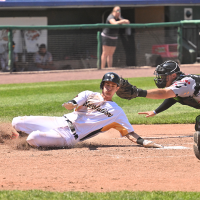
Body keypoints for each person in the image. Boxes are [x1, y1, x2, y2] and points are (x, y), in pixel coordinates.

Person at [12, 72, 162, 149]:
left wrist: (144, 142)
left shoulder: (117, 112)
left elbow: (129, 133)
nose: (109, 88)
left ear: (117, 89)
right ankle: (24, 137)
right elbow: (75, 102)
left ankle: (30, 141)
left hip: (68, 136)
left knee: (33, 138)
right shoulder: (88, 94)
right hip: (59, 121)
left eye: (113, 86)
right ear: (102, 85)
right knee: (16, 121)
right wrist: (71, 104)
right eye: (107, 85)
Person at [118, 60, 200, 160]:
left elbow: (163, 93)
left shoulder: (186, 82)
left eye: (164, 76)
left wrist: (138, 92)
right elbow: (172, 98)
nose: (161, 79)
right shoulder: (180, 84)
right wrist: (156, 111)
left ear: (173, 75)